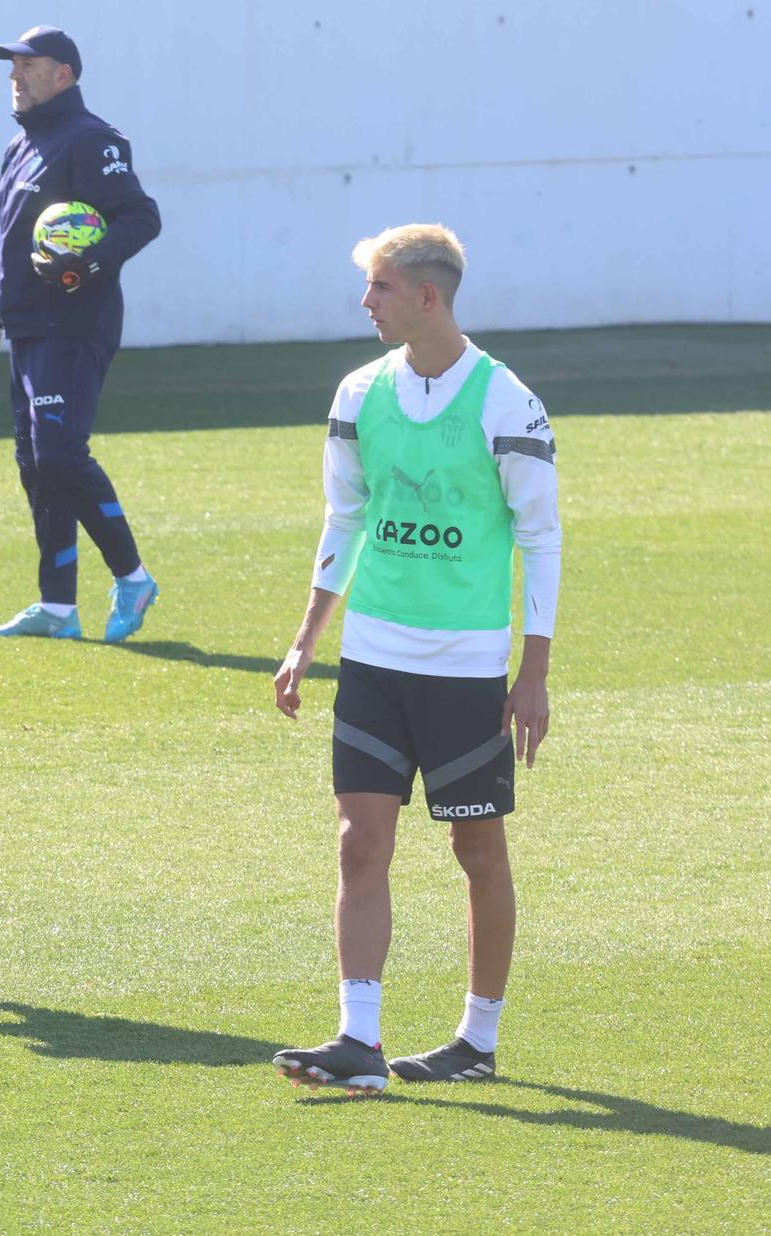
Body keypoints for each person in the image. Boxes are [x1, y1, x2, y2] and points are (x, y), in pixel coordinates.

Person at [269, 225, 560, 1094]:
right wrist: (306, 637)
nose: (367, 303)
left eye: (380, 288)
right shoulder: (359, 393)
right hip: (373, 658)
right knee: (361, 844)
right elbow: (344, 516)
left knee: (478, 851)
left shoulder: (509, 404)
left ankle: (477, 1038)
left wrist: (532, 671)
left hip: (466, 667)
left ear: (426, 296)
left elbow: (540, 538)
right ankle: (359, 1040)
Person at [0, 25, 164, 643]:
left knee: (59, 455)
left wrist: (89, 264)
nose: (15, 76)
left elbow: (141, 216)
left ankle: (133, 577)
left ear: (65, 75)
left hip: (75, 325)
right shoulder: (17, 148)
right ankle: (57, 609)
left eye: (29, 65)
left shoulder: (92, 140)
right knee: (35, 466)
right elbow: (11, 249)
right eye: (11, 67)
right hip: (28, 327)